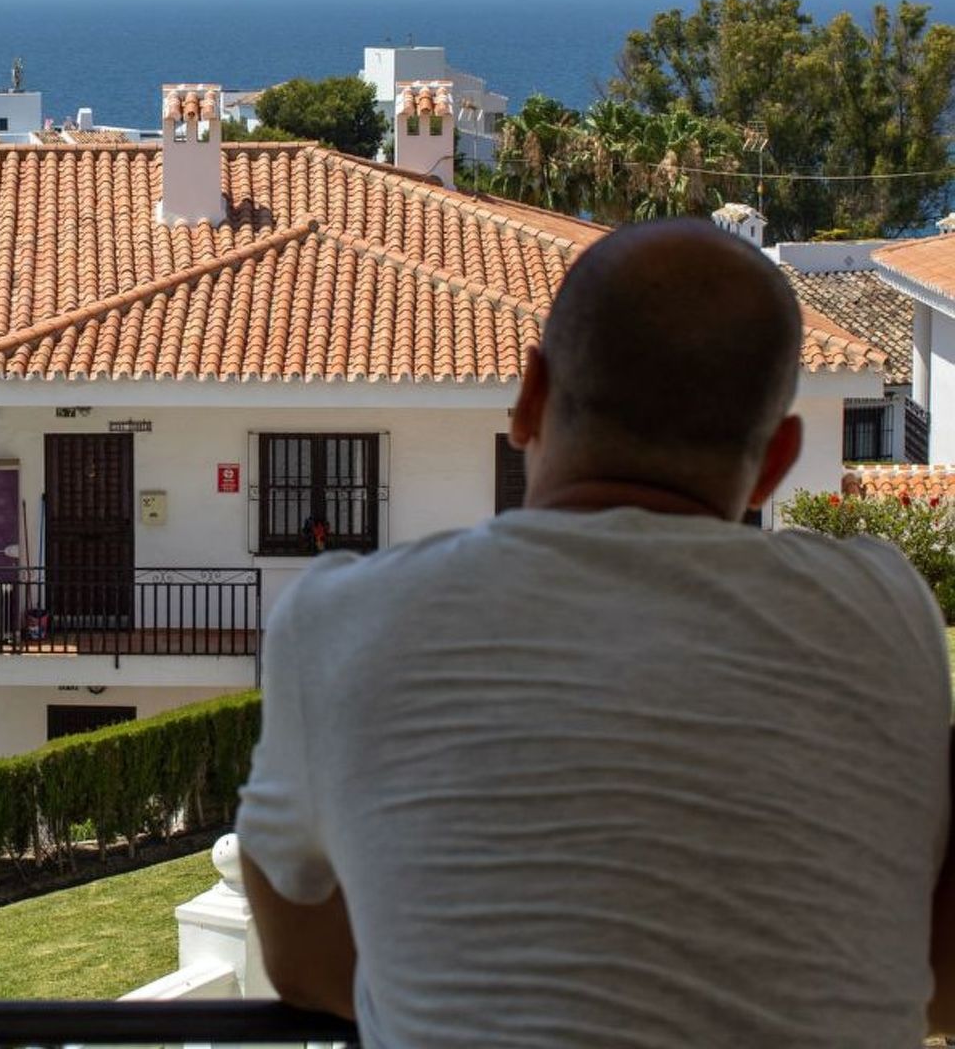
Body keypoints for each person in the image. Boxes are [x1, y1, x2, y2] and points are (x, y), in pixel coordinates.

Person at [236, 218, 951, 1047]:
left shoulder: (340, 621)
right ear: (778, 460)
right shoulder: (884, 611)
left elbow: (301, 963)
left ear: (529, 395)